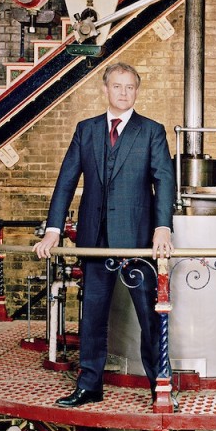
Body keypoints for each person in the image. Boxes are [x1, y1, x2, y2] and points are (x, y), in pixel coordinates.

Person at [33, 62, 176, 407]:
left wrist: (162, 227)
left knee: (149, 316)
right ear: (105, 89)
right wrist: (53, 230)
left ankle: (161, 385)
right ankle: (89, 385)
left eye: (130, 87)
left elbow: (164, 180)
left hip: (138, 240)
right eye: (117, 86)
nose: (123, 92)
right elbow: (66, 180)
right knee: (92, 317)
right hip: (94, 241)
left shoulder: (152, 131)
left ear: (136, 91)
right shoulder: (86, 130)